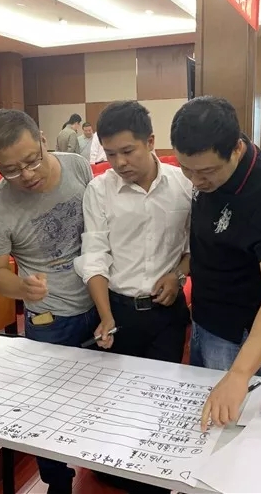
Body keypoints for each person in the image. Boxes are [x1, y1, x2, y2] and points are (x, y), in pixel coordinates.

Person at [0, 109, 96, 494]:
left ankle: (102, 465)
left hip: (100, 304)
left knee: (102, 396)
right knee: (46, 408)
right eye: (11, 170)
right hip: (50, 318)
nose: (27, 175)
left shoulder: (77, 166)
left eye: (32, 160)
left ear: (44, 140)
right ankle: (58, 482)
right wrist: (21, 288)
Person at [170, 96, 261, 432]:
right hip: (203, 315)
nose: (195, 181)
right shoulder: (207, 166)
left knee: (224, 430)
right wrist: (181, 272)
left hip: (235, 336)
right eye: (186, 169)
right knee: (199, 421)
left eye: (207, 172)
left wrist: (240, 374)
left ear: (237, 149)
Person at [75, 101, 192, 365]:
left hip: (167, 312)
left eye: (128, 151)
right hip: (119, 311)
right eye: (110, 154)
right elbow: (94, 256)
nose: (120, 162)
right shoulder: (99, 190)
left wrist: (177, 276)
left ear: (150, 142)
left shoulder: (184, 184)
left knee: (164, 383)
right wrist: (106, 316)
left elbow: (195, 247)